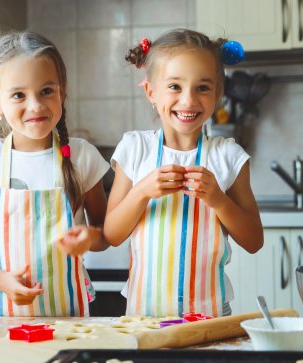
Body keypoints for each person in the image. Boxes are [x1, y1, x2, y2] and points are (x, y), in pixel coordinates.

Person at [0, 31, 110, 317]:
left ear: (62, 91)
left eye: (46, 91)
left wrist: (89, 238)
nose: (35, 105)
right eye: (19, 95)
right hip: (4, 317)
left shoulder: (82, 156)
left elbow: (105, 233)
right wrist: (1, 280)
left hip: (71, 318)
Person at [104, 28, 264, 318]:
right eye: (175, 87)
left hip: (212, 314)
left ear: (218, 93)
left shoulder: (228, 156)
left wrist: (218, 200)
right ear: (151, 91)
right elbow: (112, 234)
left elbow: (254, 241)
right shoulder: (135, 148)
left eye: (202, 88)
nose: (188, 100)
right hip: (144, 316)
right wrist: (141, 192)